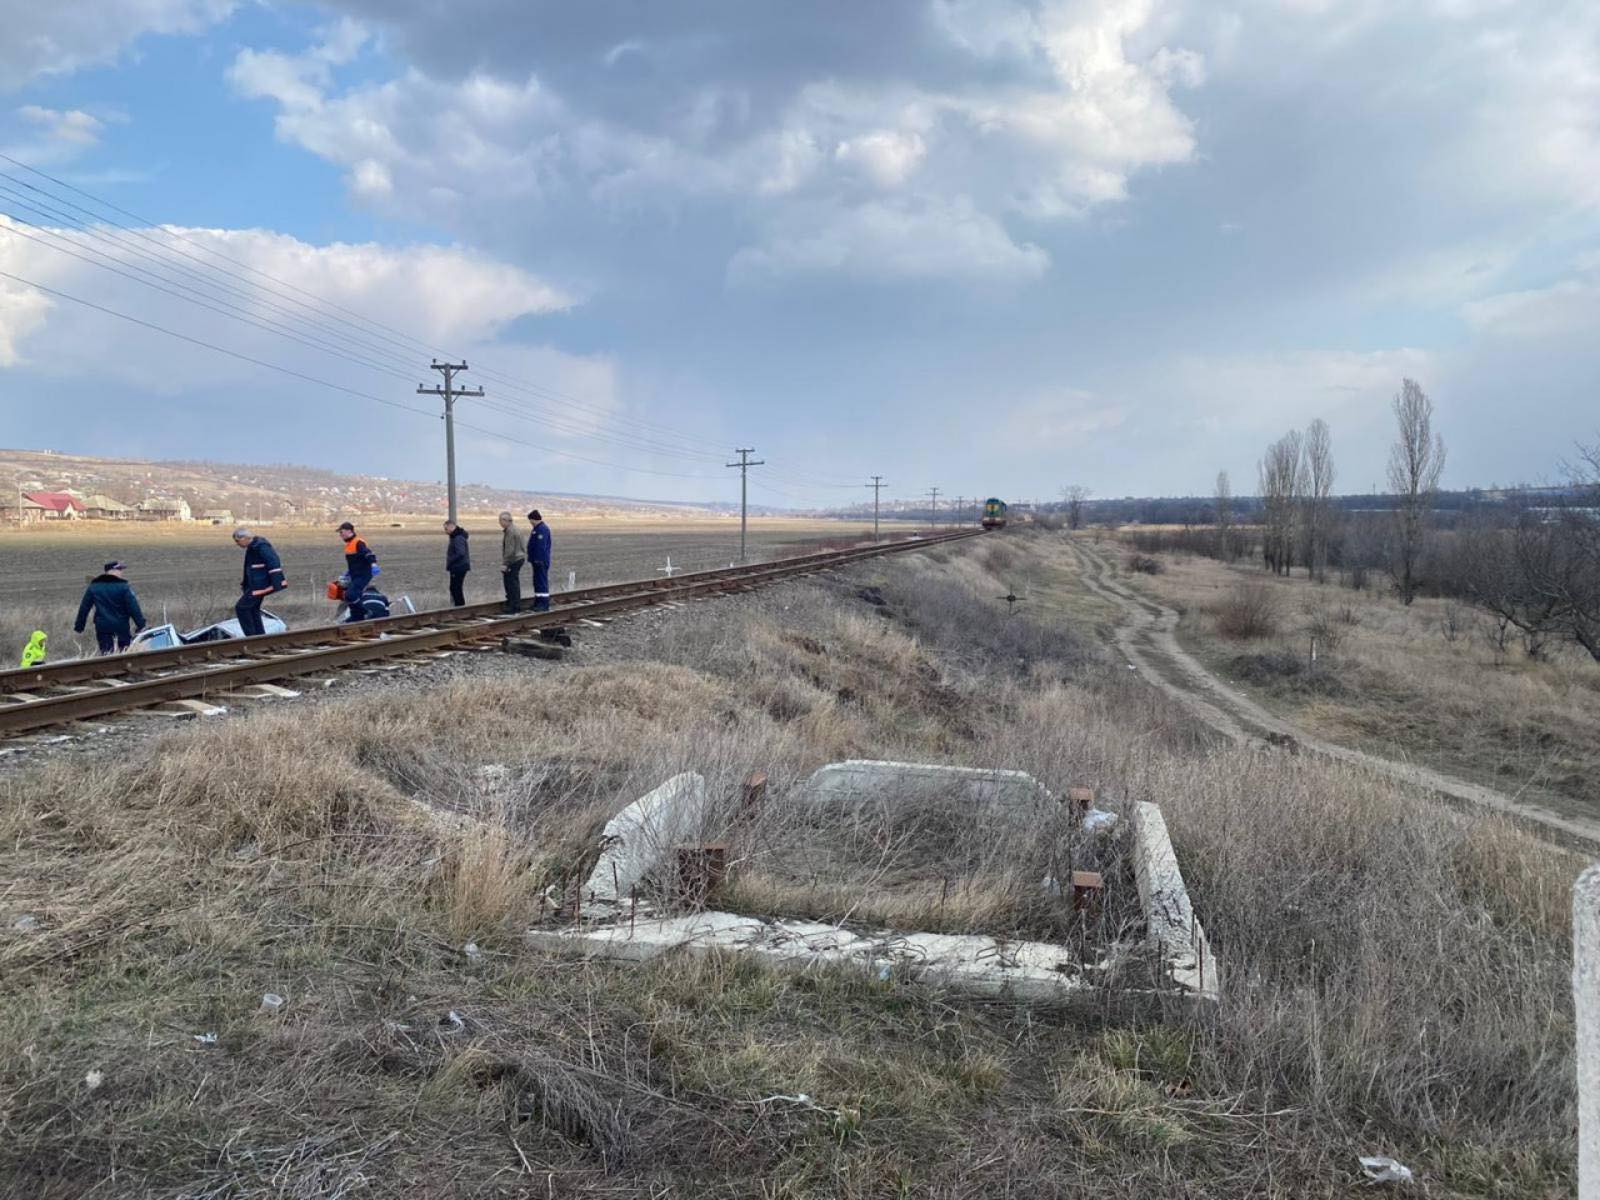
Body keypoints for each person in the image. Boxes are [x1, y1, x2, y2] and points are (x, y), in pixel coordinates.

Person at [73, 560, 147, 654]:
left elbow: (84, 608)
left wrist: (79, 626)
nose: (121, 572)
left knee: (107, 655)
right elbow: (134, 608)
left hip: (103, 628)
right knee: (124, 654)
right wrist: (141, 625)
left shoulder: (94, 587)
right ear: (111, 571)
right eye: (119, 569)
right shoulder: (124, 587)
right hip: (121, 627)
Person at [233, 527, 286, 637]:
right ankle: (259, 637)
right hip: (255, 585)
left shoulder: (261, 546)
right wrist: (245, 583)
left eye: (237, 541)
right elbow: (251, 568)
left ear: (244, 538)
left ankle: (252, 638)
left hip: (260, 585)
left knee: (241, 608)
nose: (237, 544)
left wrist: (276, 582)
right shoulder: (253, 547)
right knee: (253, 609)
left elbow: (273, 562)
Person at [337, 522, 378, 622]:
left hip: (363, 574)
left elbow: (368, 553)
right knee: (350, 597)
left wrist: (373, 564)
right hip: (355, 575)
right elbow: (355, 562)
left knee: (350, 595)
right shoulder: (349, 545)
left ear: (349, 531)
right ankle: (357, 617)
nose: (340, 535)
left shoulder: (358, 542)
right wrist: (348, 572)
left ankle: (367, 612)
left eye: (341, 532)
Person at [498, 510, 526, 613]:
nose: (500, 523)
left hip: (513, 560)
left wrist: (505, 564)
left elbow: (509, 549)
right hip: (519, 558)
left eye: (500, 521)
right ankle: (515, 604)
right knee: (514, 582)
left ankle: (513, 606)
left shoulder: (510, 531)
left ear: (505, 520)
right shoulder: (517, 529)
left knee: (510, 583)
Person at [527, 508, 553, 612]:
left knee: (541, 582)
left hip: (540, 561)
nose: (530, 523)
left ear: (534, 519)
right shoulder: (537, 529)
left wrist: (538, 559)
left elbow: (540, 546)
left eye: (530, 521)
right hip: (536, 560)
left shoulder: (542, 529)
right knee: (537, 582)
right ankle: (538, 601)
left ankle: (544, 603)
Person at [444, 519, 471, 606]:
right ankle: (459, 607)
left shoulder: (458, 537)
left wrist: (451, 560)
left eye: (446, 529)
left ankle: (460, 607)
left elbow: (460, 553)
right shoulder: (457, 536)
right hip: (459, 566)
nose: (445, 531)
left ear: (451, 526)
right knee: (455, 588)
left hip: (459, 567)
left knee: (455, 588)